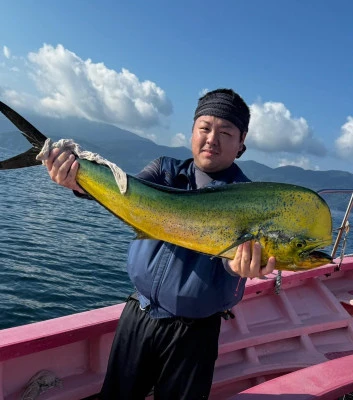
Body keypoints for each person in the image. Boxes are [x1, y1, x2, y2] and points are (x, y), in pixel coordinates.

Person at [44, 88, 276, 400]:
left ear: (241, 143)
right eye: (205, 128)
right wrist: (79, 181)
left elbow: (234, 258)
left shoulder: (249, 200)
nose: (212, 139)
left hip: (195, 333)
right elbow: (124, 194)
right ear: (192, 132)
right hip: (138, 313)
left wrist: (240, 265)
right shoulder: (164, 171)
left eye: (225, 132)